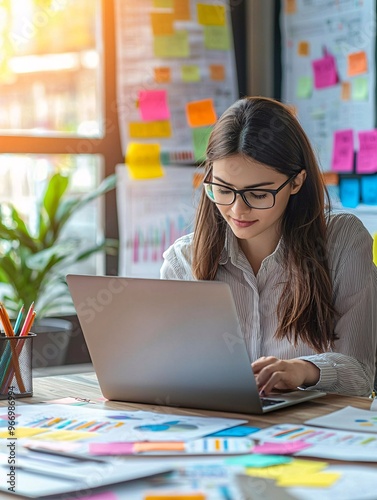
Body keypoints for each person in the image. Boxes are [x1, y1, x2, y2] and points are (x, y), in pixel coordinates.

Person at [160, 96, 377, 397]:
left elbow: (360, 374)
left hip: (308, 432)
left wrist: (303, 370)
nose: (237, 210)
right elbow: (169, 368)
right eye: (223, 190)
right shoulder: (183, 260)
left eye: (258, 195)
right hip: (221, 427)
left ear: (296, 182)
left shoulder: (342, 241)